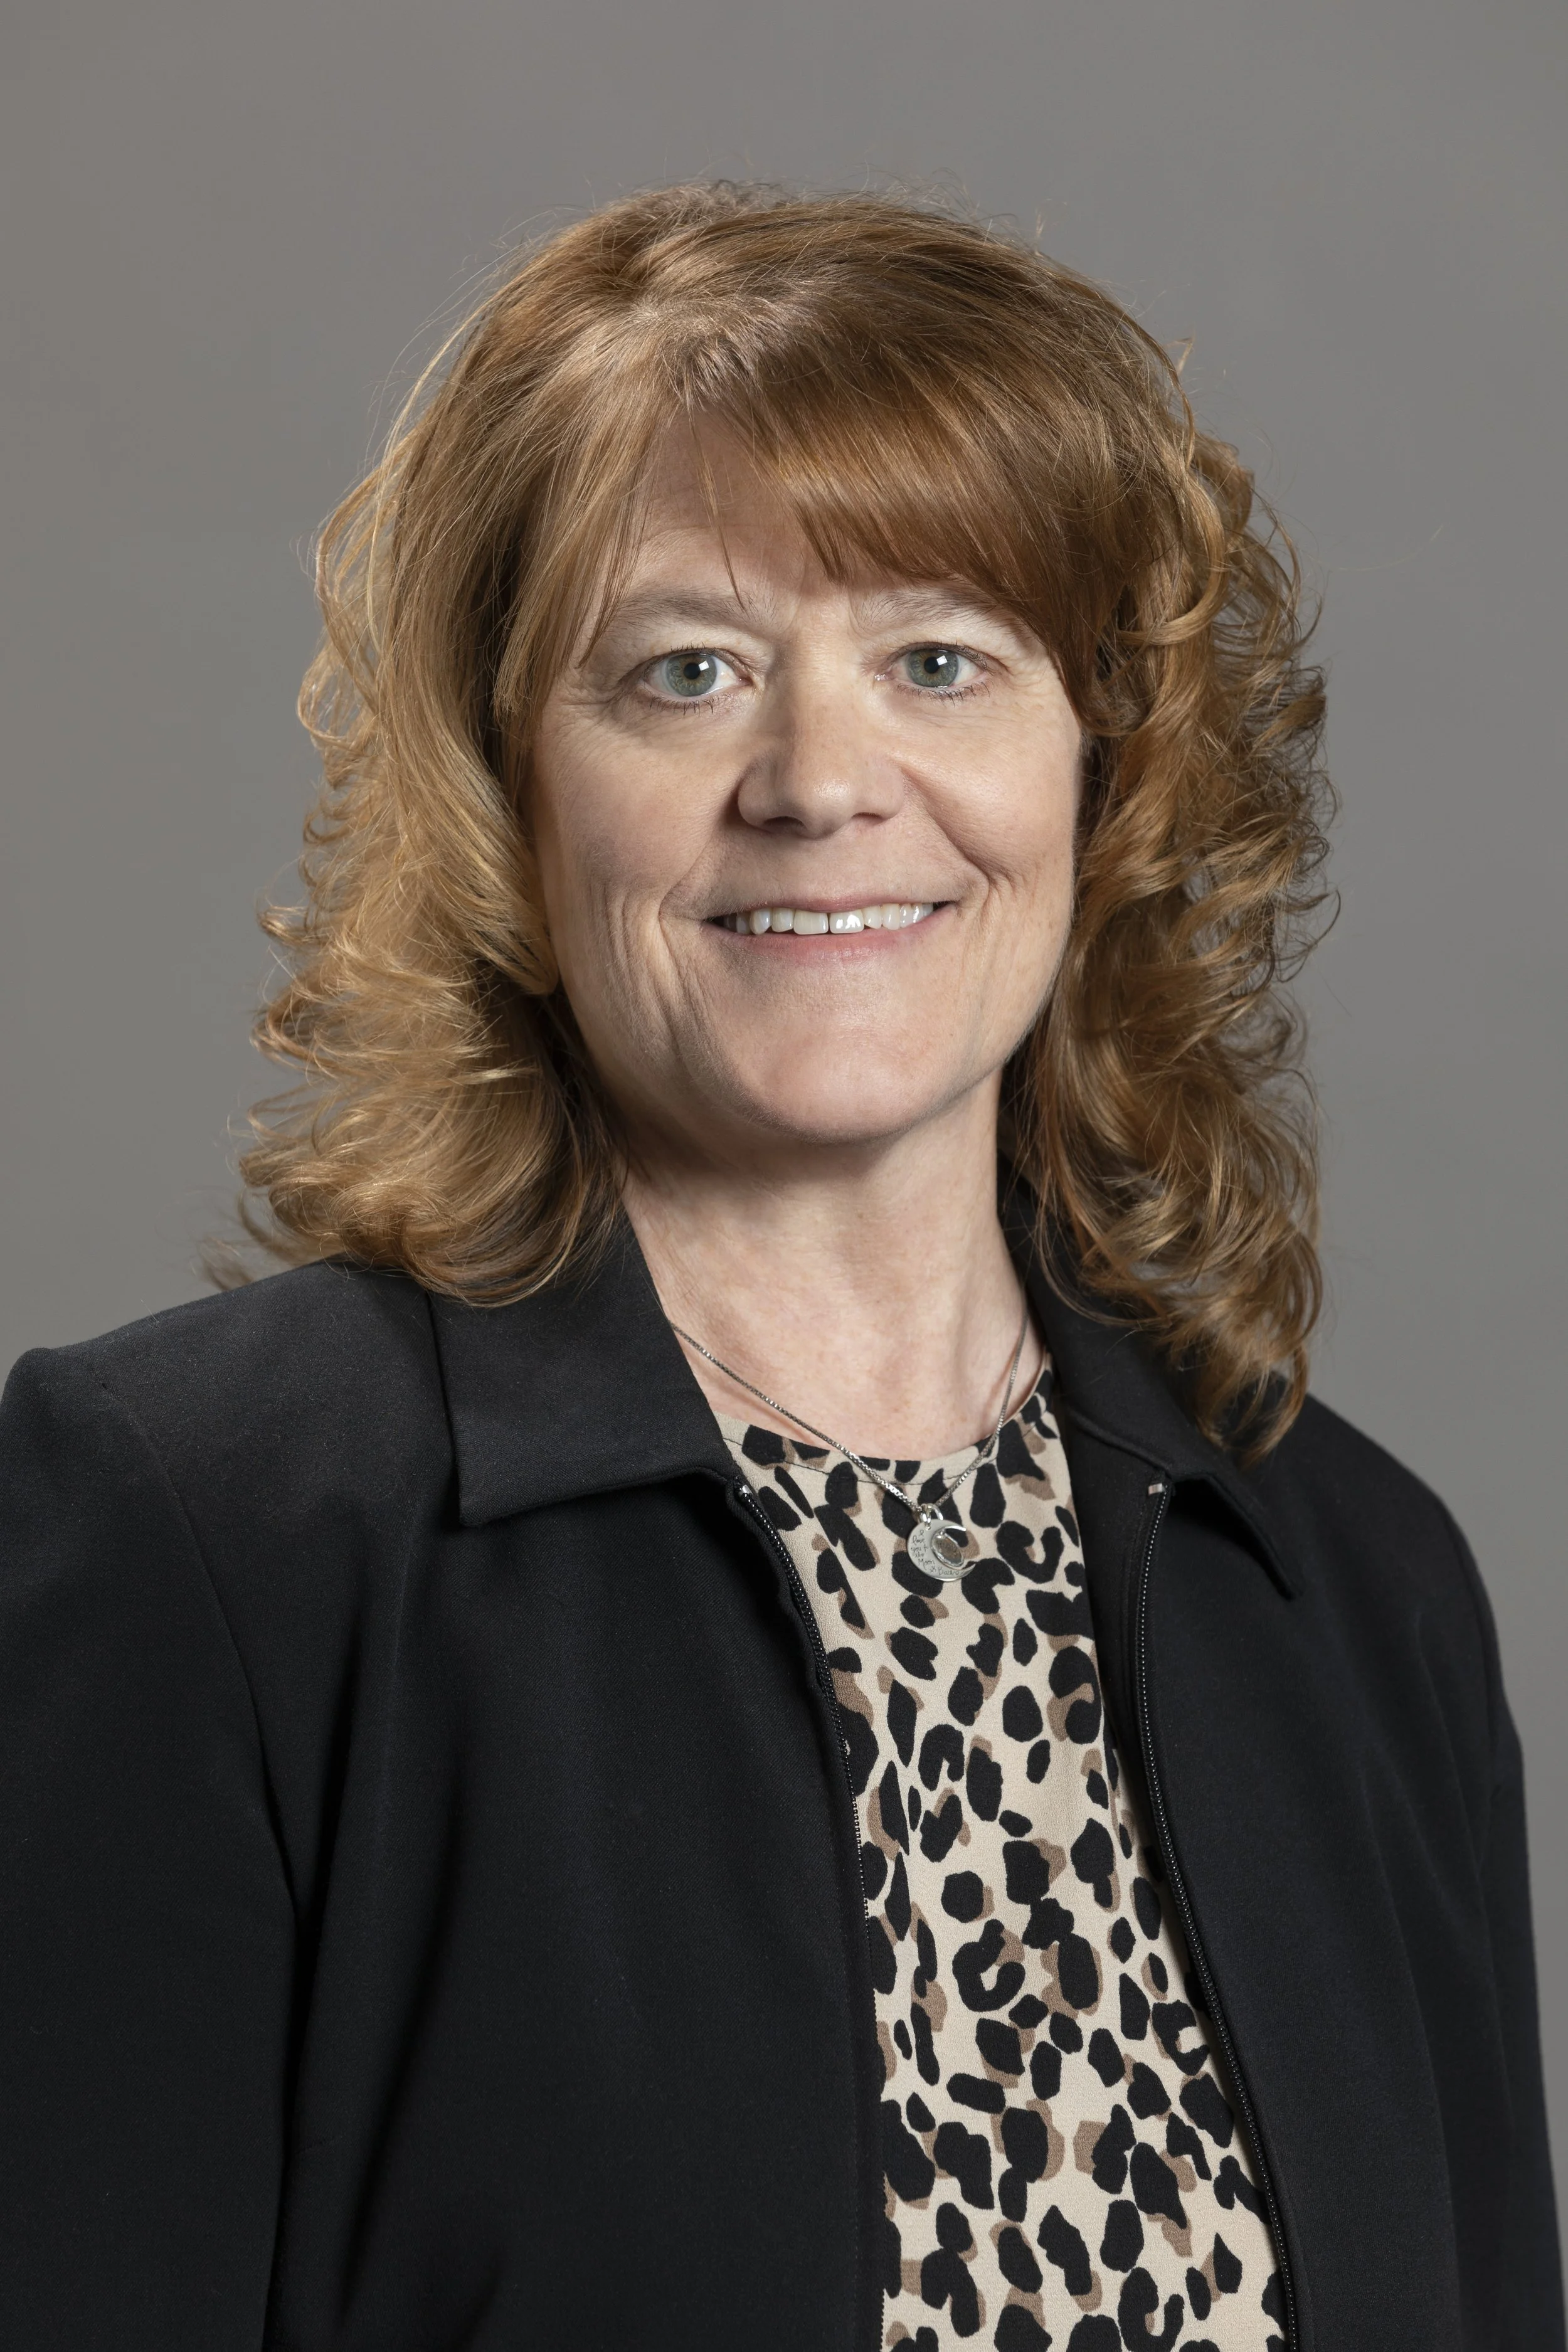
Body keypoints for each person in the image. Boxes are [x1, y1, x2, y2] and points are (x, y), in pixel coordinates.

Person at [0, 183, 1558, 2352]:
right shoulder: (201, 1533)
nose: (823, 782)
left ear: (1100, 775)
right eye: (686, 670)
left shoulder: (1357, 1582)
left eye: (942, 658)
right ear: (508, 793)